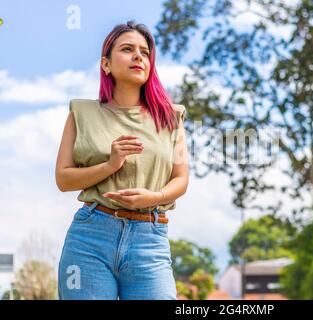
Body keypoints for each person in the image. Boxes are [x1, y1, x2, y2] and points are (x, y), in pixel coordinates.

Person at [54, 20, 188, 300]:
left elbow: (181, 179)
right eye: (128, 49)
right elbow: (63, 179)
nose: (139, 56)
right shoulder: (81, 113)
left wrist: (154, 196)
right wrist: (109, 165)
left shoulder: (171, 117)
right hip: (90, 239)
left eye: (145, 52)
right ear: (106, 64)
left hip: (149, 241)